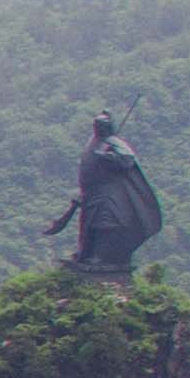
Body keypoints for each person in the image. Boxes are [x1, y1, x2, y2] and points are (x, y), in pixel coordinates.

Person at [45, 111, 163, 278]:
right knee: (88, 223)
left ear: (108, 127)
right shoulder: (93, 142)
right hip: (91, 192)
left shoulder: (113, 142)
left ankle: (102, 256)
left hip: (108, 192)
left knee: (105, 223)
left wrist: (109, 157)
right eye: (97, 126)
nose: (99, 129)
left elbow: (127, 159)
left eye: (102, 126)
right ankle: (86, 253)